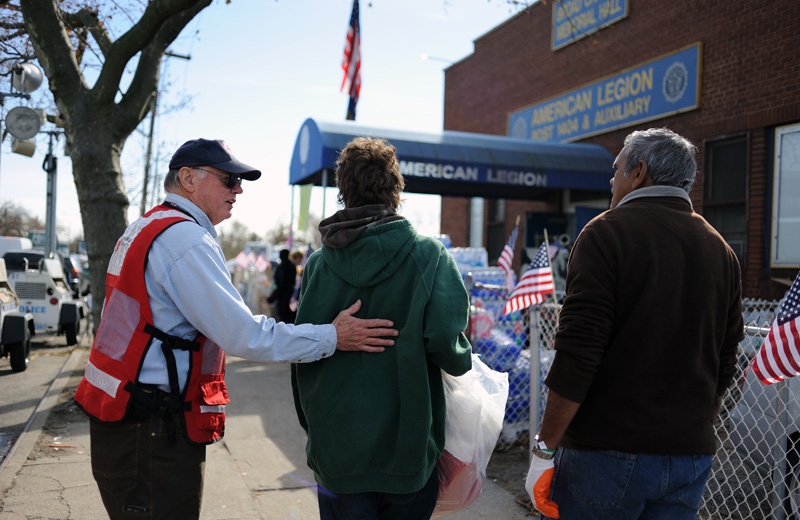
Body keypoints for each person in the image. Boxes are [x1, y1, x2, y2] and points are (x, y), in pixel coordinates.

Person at [73, 138, 398, 520]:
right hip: (152, 429)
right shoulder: (185, 239)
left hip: (132, 418)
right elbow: (245, 334)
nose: (239, 190)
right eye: (229, 180)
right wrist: (332, 336)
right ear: (188, 178)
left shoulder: (151, 224)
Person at [526, 128, 744, 520]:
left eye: (616, 170)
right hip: (689, 457)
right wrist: (692, 423)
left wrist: (544, 447)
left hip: (604, 454)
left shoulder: (605, 233)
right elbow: (727, 359)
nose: (612, 180)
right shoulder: (721, 249)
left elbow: (578, 354)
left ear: (639, 171)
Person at [291, 136, 473, 520]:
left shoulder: (319, 266)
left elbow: (300, 349)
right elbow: (450, 350)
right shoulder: (430, 255)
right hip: (405, 450)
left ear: (344, 190)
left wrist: (315, 428)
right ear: (395, 187)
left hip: (336, 447)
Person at [268, 248, 298, 322]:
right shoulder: (292, 266)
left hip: (284, 298)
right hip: (291, 296)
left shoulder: (281, 267)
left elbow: (281, 285)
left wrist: (271, 298)